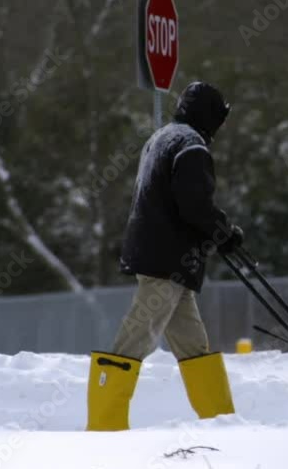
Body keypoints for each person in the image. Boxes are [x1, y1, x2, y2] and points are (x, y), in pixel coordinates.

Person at [87, 82, 244, 431]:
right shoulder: (191, 146)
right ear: (209, 116)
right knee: (135, 338)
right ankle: (103, 426)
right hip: (167, 262)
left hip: (163, 258)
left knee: (193, 344)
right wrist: (224, 232)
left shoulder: (162, 138)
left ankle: (222, 422)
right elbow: (195, 204)